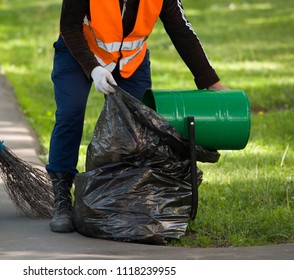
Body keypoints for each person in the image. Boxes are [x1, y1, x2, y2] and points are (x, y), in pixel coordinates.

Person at [46, 0, 228, 233]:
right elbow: (69, 26)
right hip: (78, 50)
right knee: (70, 112)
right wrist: (94, 68)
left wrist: (211, 82)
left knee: (133, 131)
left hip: (131, 62)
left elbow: (181, 29)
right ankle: (61, 197)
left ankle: (115, 201)